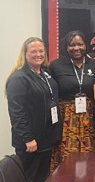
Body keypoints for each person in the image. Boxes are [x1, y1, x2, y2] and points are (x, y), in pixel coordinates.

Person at [6, 37, 61, 182]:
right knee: (30, 177)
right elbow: (16, 112)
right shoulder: (19, 78)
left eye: (41, 51)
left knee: (42, 177)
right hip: (31, 142)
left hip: (45, 140)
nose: (38, 54)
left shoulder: (45, 74)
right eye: (33, 51)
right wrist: (28, 138)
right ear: (25, 54)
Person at [49, 30, 95, 171]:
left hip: (88, 117)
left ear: (85, 45)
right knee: (66, 154)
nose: (76, 48)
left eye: (80, 44)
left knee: (88, 154)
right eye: (72, 45)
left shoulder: (94, 65)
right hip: (66, 117)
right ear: (66, 47)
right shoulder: (56, 66)